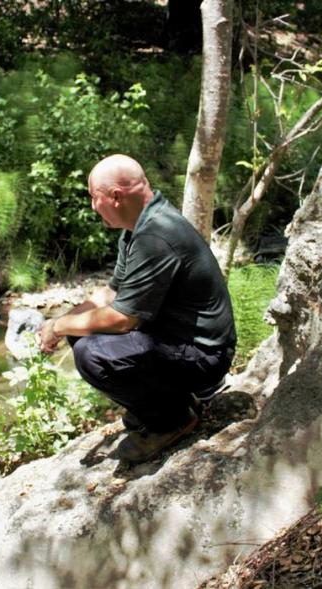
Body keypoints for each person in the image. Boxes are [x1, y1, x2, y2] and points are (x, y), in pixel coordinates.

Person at [38, 154, 236, 464]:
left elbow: (121, 319)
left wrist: (59, 327)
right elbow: (111, 292)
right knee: (82, 330)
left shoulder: (157, 235)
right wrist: (65, 319)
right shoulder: (137, 229)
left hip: (204, 356)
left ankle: (171, 421)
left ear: (115, 197)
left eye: (94, 197)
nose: (92, 206)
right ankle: (170, 403)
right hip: (178, 342)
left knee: (91, 352)